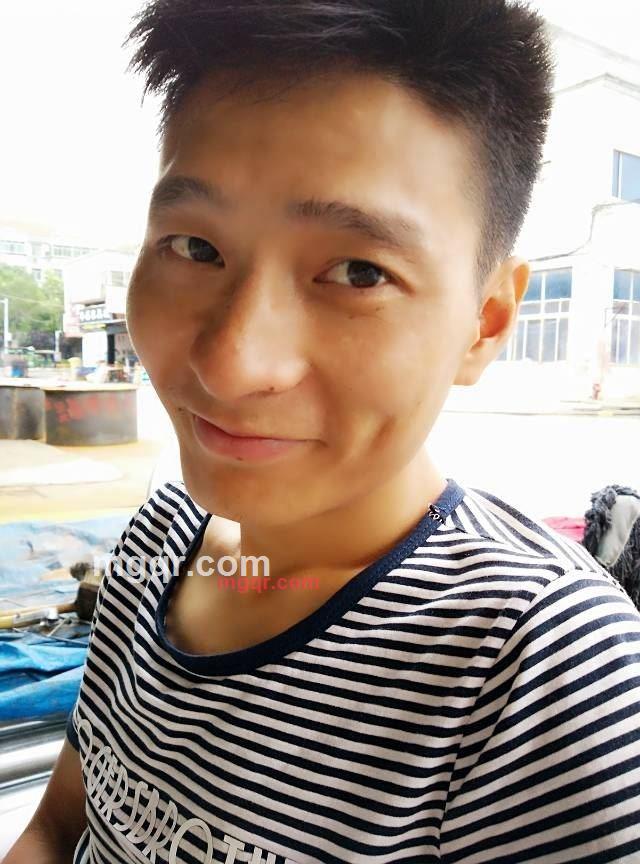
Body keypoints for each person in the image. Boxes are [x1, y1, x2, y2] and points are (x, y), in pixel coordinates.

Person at [7, 2, 640, 862]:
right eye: (195, 248)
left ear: (486, 322)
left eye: (358, 271)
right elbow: (58, 827)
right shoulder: (161, 533)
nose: (232, 364)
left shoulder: (543, 674)